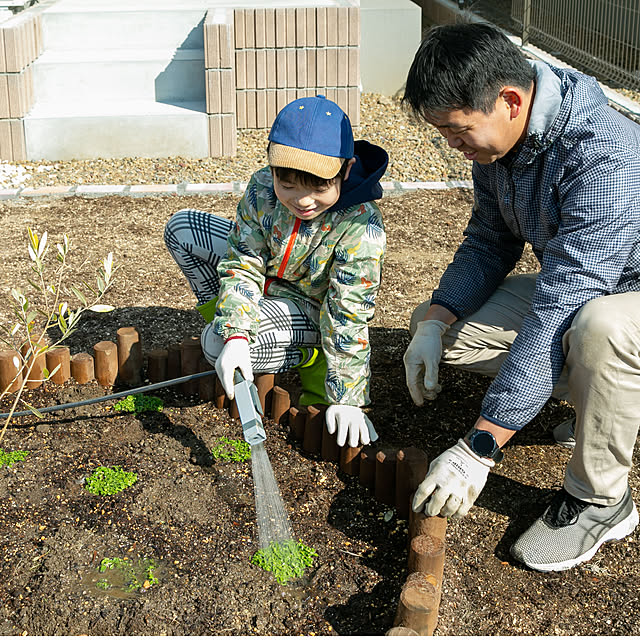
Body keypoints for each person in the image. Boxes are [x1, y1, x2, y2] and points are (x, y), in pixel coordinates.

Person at [402, 22, 640, 572]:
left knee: (598, 329)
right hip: (591, 285)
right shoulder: (500, 148)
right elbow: (489, 240)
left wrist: (479, 447)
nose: (453, 146)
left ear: (510, 101)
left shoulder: (604, 156)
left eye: (457, 130)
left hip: (618, 299)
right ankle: (599, 400)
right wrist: (435, 322)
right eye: (443, 134)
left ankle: (602, 500)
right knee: (443, 327)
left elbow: (560, 306)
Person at [165, 94, 388, 449]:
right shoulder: (262, 190)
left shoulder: (360, 224)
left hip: (310, 307)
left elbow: (347, 313)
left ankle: (307, 353)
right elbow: (243, 260)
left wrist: (348, 396)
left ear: (345, 169)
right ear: (272, 168)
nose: (303, 200)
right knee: (183, 229)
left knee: (212, 342)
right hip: (266, 281)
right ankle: (230, 332)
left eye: (319, 187)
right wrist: (235, 334)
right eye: (288, 185)